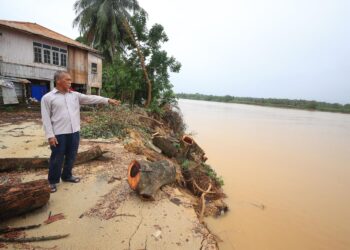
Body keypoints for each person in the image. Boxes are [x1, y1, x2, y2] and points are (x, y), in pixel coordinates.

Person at [41, 70, 120, 193]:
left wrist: (107, 100)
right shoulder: (47, 98)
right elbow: (46, 118)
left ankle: (67, 175)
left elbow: (91, 98)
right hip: (58, 134)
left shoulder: (75, 95)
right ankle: (52, 181)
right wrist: (50, 136)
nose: (70, 82)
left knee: (72, 156)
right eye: (67, 79)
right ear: (58, 81)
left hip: (74, 132)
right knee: (57, 157)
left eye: (70, 79)